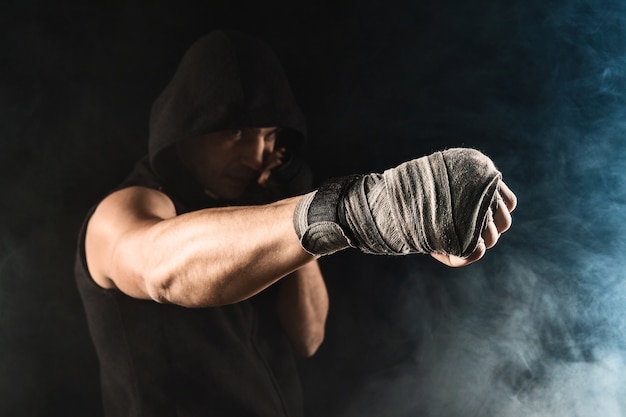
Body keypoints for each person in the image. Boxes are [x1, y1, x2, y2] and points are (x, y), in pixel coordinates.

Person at [74, 30, 517, 417]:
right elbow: (160, 268)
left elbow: (307, 336)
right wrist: (365, 210)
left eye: (269, 138)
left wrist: (294, 204)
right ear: (185, 128)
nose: (255, 154)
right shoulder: (125, 209)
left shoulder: (262, 210)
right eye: (236, 134)